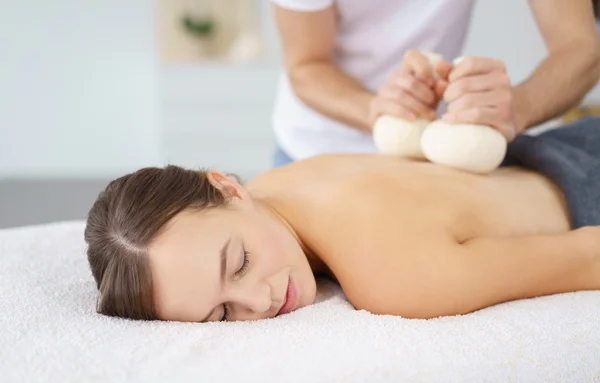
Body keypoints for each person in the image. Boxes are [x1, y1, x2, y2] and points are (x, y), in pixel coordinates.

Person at [84, 116, 600, 323]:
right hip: (558, 145)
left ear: (228, 187)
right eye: (221, 315)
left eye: (239, 263)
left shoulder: (394, 279)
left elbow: (589, 256)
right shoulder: (282, 182)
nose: (258, 301)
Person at [270, 0, 600, 167]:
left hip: (428, 157)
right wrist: (376, 108)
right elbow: (306, 64)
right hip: (314, 152)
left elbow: (581, 49)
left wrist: (518, 107)